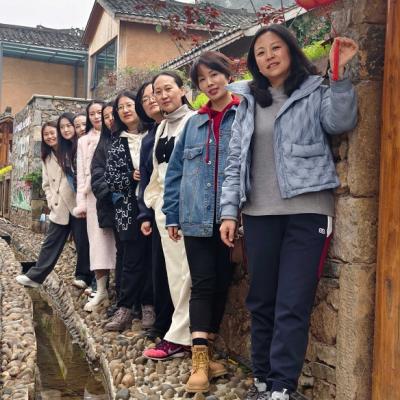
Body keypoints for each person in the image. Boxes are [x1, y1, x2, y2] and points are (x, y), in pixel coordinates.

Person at [219, 25, 358, 400]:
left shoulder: (314, 90)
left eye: (275, 48)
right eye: (260, 52)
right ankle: (263, 380)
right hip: (259, 214)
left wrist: (339, 77)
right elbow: (235, 161)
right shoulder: (248, 101)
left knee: (292, 302)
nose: (268, 56)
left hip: (307, 211)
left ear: (291, 50)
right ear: (254, 62)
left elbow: (340, 122)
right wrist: (229, 213)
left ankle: (282, 386)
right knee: (261, 300)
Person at [162, 51, 239, 393]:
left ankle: (209, 357)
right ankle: (199, 363)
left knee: (223, 283)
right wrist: (172, 213)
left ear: (228, 74)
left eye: (215, 75)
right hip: (195, 218)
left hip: (232, 219)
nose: (210, 83)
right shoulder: (193, 124)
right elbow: (175, 172)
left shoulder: (244, 114)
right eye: (202, 80)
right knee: (203, 284)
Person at [143, 71, 195, 360]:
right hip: (164, 209)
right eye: (158, 92)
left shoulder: (194, 121)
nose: (163, 96)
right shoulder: (162, 128)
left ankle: (180, 337)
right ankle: (182, 336)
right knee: (174, 274)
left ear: (182, 89)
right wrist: (153, 201)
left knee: (187, 273)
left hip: (187, 206)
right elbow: (156, 170)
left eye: (168, 89)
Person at [16, 120, 89, 288]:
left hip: (77, 203)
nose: (49, 137)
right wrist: (50, 200)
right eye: (46, 134)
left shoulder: (72, 149)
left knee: (82, 242)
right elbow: (46, 184)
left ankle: (84, 277)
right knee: (50, 243)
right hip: (58, 206)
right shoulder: (47, 157)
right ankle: (35, 277)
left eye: (52, 133)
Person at [104, 90, 154, 331]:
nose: (125, 110)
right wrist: (131, 176)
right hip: (127, 208)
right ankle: (125, 307)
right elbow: (111, 179)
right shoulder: (116, 142)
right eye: (120, 107)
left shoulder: (153, 133)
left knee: (152, 257)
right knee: (131, 259)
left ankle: (148, 305)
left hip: (153, 204)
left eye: (129, 105)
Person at [136, 81, 174, 340]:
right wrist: (144, 213)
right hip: (155, 210)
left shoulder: (183, 124)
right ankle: (162, 322)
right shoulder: (151, 136)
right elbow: (147, 179)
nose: (152, 99)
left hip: (178, 209)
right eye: (146, 98)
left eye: (156, 94)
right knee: (158, 268)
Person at [73, 100, 116, 312]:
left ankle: (119, 290)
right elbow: (81, 174)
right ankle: (101, 289)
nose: (97, 117)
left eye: (101, 112)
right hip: (92, 197)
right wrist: (81, 201)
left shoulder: (117, 135)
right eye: (92, 114)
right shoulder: (83, 141)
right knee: (98, 243)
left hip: (116, 195)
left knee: (120, 243)